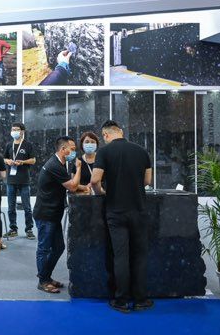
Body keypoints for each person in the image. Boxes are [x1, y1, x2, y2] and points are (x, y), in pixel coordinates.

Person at [89, 120, 153, 313]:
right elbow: (147, 181)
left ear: (106, 135)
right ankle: (141, 299)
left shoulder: (104, 152)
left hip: (116, 212)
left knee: (121, 256)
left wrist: (101, 192)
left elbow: (94, 179)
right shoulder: (141, 151)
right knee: (140, 256)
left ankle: (121, 300)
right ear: (121, 132)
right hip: (139, 210)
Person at [33, 136, 81, 294]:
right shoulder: (54, 165)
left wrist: (83, 186)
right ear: (63, 149)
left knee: (59, 247)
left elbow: (67, 184)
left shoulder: (59, 164)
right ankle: (42, 281)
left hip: (53, 214)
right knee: (44, 248)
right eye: (72, 149)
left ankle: (46, 276)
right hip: (45, 214)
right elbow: (72, 186)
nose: (74, 152)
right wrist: (79, 168)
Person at [3, 122, 36, 239]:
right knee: (11, 207)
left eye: (16, 129)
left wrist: (23, 162)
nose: (14, 131)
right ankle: (13, 229)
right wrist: (8, 161)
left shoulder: (28, 145)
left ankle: (29, 229)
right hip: (11, 180)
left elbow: (33, 160)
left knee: (27, 207)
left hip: (24, 180)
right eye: (13, 129)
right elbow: (4, 158)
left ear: (22, 132)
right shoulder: (9, 145)